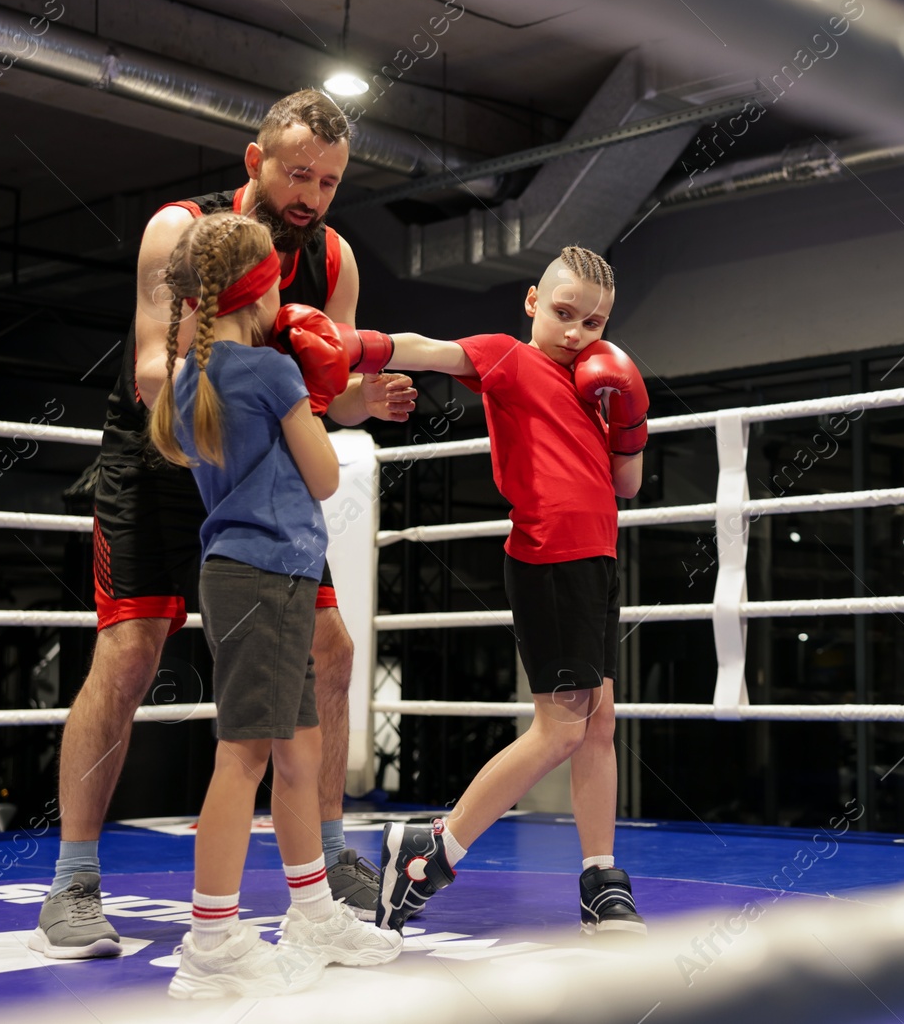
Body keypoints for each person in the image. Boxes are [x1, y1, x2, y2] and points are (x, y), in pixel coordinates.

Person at [36, 89, 417, 959]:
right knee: (130, 654)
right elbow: (150, 368)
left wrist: (364, 396)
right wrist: (286, 391)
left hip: (256, 476)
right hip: (159, 451)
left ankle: (324, 863)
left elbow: (329, 386)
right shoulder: (181, 230)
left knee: (333, 648)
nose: (311, 194)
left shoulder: (334, 259)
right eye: (297, 173)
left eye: (327, 181)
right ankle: (72, 879)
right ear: (255, 162)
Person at [341, 247, 648, 936]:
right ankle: (432, 848)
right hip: (548, 558)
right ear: (533, 300)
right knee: (562, 725)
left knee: (598, 722)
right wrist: (357, 347)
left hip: (597, 558)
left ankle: (601, 877)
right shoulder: (511, 358)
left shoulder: (599, 386)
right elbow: (433, 350)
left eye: (593, 322)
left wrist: (627, 425)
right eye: (564, 312)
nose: (576, 332)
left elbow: (625, 485)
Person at [149, 211, 401, 997]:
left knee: (295, 753)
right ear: (263, 291)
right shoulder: (268, 372)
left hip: (256, 575)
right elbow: (327, 477)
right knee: (246, 756)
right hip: (266, 576)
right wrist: (314, 391)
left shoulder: (189, 376)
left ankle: (313, 911)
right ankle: (212, 939)